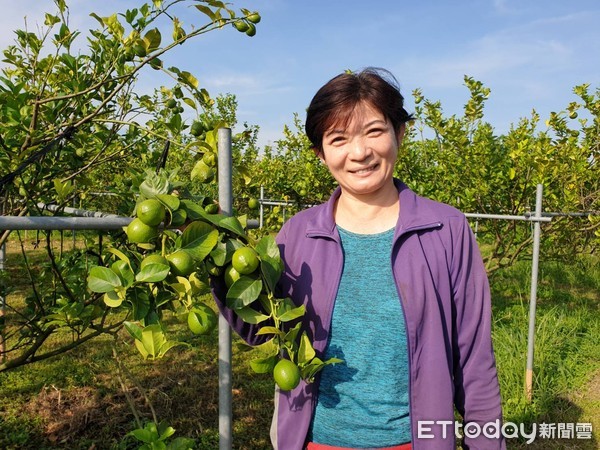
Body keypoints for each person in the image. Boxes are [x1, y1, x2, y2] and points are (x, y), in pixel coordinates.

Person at [212, 67, 505, 450]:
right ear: (321, 153)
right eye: (338, 138)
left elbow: (474, 359)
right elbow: (261, 328)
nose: (359, 152)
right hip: (317, 442)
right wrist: (216, 259)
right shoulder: (298, 235)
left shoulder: (444, 229)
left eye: (374, 131)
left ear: (400, 134)